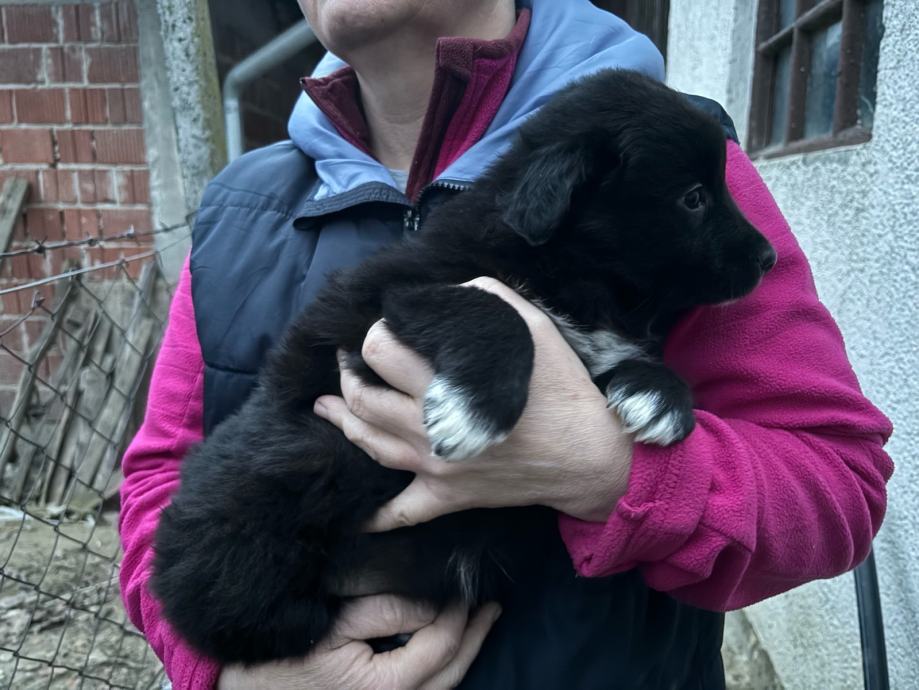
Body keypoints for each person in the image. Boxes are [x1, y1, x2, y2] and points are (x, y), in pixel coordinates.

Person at [118, 1, 894, 688]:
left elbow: (838, 486)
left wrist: (612, 471)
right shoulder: (240, 209)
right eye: (696, 201)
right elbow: (159, 487)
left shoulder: (663, 149)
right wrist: (227, 675)